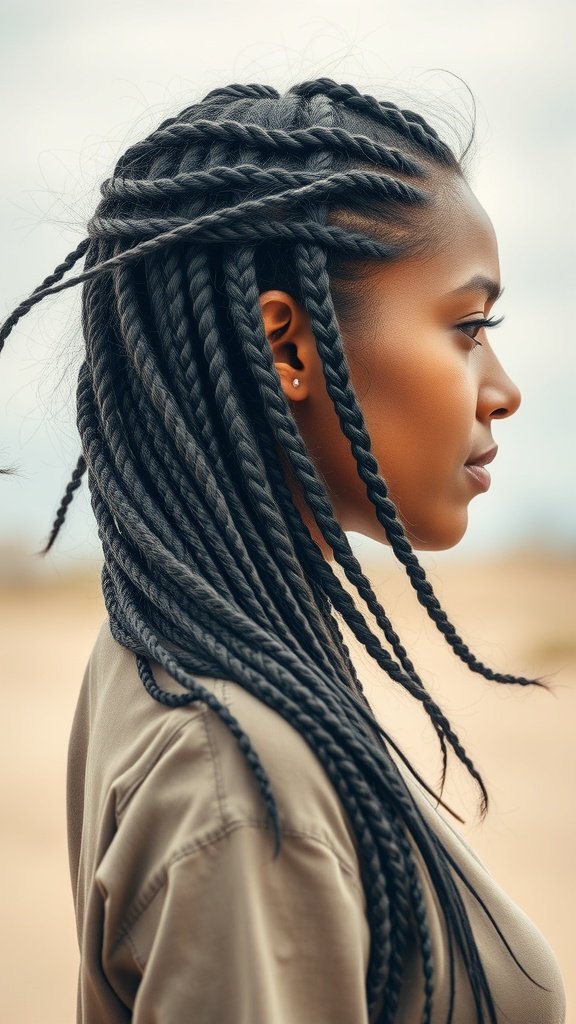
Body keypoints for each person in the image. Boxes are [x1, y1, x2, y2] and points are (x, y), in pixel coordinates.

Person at [0, 77, 566, 1023]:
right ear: (287, 347)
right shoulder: (245, 790)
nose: (502, 389)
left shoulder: (178, 639)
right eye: (469, 328)